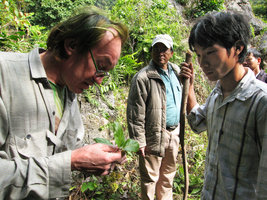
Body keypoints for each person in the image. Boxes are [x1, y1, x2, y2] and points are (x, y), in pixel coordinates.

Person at [0, 7, 129, 199]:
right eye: (100, 66)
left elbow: (68, 152)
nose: (99, 80)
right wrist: (71, 162)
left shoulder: (69, 92)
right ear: (72, 46)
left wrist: (96, 158)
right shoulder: (4, 75)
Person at [180, 11, 267, 199]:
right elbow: (197, 121)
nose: (203, 63)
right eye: (199, 55)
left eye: (210, 52)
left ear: (237, 48)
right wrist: (190, 87)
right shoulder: (217, 95)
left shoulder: (261, 101)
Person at [127, 34, 182, 200]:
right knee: (150, 179)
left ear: (171, 52)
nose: (160, 53)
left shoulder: (177, 72)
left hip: (174, 133)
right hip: (152, 135)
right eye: (156, 49)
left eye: (164, 49)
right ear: (151, 52)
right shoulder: (143, 77)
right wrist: (139, 141)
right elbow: (135, 113)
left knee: (167, 177)